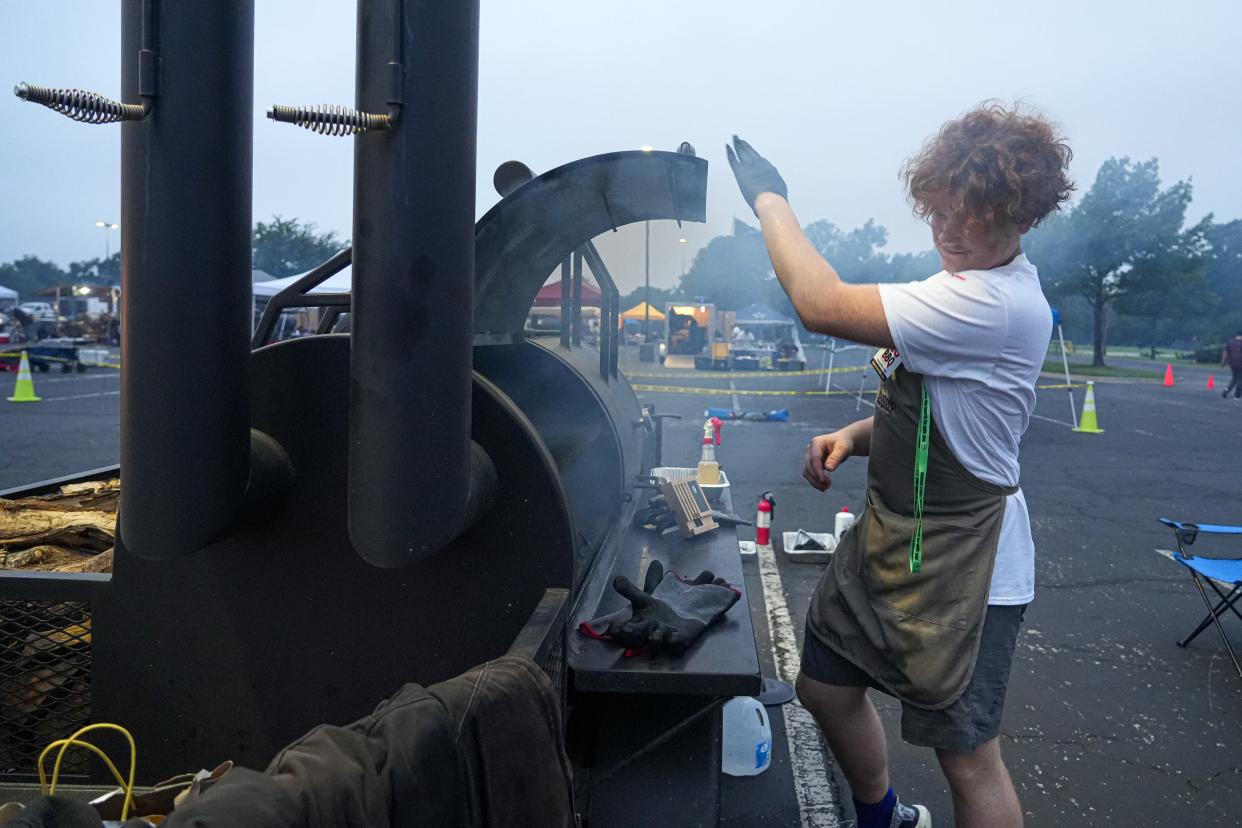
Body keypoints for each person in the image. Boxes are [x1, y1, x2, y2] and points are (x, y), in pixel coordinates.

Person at [726, 102, 1073, 828]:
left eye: (971, 217)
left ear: (1021, 218)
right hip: (893, 540)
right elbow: (938, 409)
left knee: (968, 757)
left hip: (968, 565)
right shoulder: (961, 285)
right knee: (823, 687)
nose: (947, 231)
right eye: (940, 212)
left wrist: (770, 198)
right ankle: (882, 815)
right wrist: (855, 436)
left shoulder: (996, 303)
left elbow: (819, 304)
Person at [1220, 331, 1242, 399]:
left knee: (1234, 379)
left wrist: (1223, 362)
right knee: (1240, 380)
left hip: (1232, 364)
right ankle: (1237, 395)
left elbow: (1225, 353)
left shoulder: (1230, 342)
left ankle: (1226, 391)